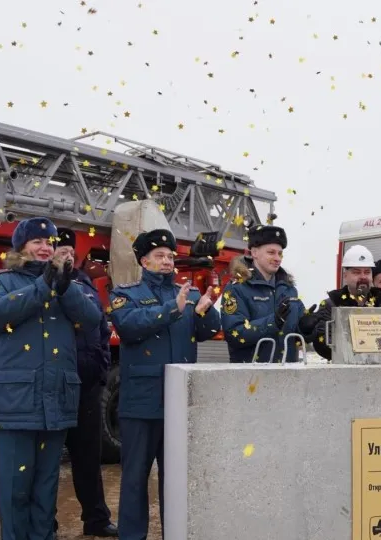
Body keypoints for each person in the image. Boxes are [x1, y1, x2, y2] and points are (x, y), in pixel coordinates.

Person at [0, 217, 102, 540]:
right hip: (15, 406)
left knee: (46, 492)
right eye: (37, 242)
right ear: (21, 247)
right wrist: (44, 284)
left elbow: (92, 319)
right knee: (16, 492)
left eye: (49, 243)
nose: (45, 247)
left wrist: (63, 287)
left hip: (55, 405)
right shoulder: (0, 280)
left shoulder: (69, 286)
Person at [109, 228, 221, 540]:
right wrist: (174, 309)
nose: (167, 261)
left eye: (170, 256)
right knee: (134, 478)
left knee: (175, 479)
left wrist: (204, 313)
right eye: (159, 256)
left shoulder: (189, 294)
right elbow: (130, 327)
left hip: (178, 405)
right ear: (143, 261)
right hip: (141, 405)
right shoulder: (125, 295)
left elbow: (211, 330)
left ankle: (176, 533)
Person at [53, 228, 118, 538]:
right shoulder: (47, 282)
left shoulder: (85, 282)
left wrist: (102, 367)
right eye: (60, 249)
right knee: (48, 462)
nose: (66, 254)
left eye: (69, 250)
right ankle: (45, 523)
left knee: (88, 459)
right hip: (56, 386)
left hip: (88, 385)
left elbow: (101, 328)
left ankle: (97, 519)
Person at [221, 223, 305, 363]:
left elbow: (297, 335)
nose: (278, 258)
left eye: (280, 253)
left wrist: (307, 326)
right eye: (271, 252)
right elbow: (234, 335)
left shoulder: (289, 289)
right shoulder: (236, 289)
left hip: (287, 376)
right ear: (254, 253)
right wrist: (273, 323)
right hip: (251, 378)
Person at [299, 244, 381, 361]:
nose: (363, 277)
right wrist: (309, 331)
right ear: (345, 276)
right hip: (345, 371)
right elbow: (323, 346)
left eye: (367, 272)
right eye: (356, 272)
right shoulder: (331, 304)